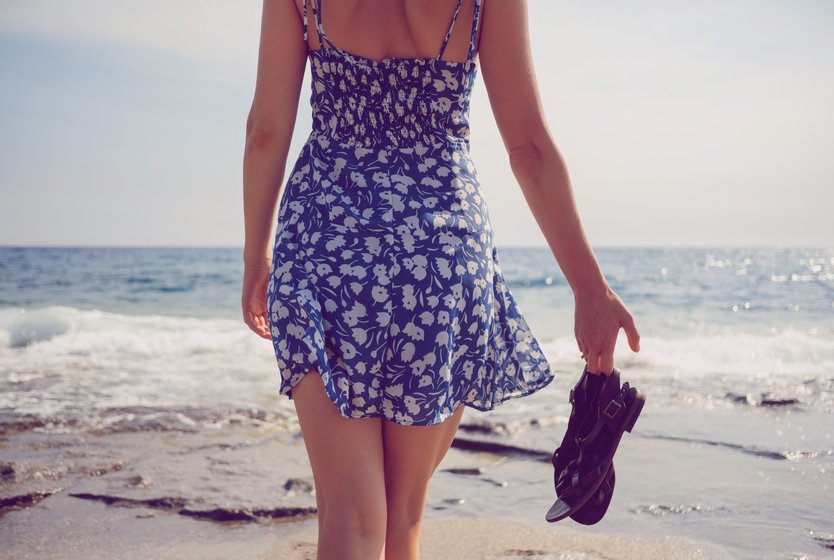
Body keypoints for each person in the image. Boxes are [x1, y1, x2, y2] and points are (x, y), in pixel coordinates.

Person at [241, 1, 640, 558]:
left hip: (325, 247)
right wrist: (589, 290)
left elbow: (266, 131)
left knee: (351, 515)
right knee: (402, 518)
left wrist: (255, 256)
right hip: (438, 257)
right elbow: (528, 149)